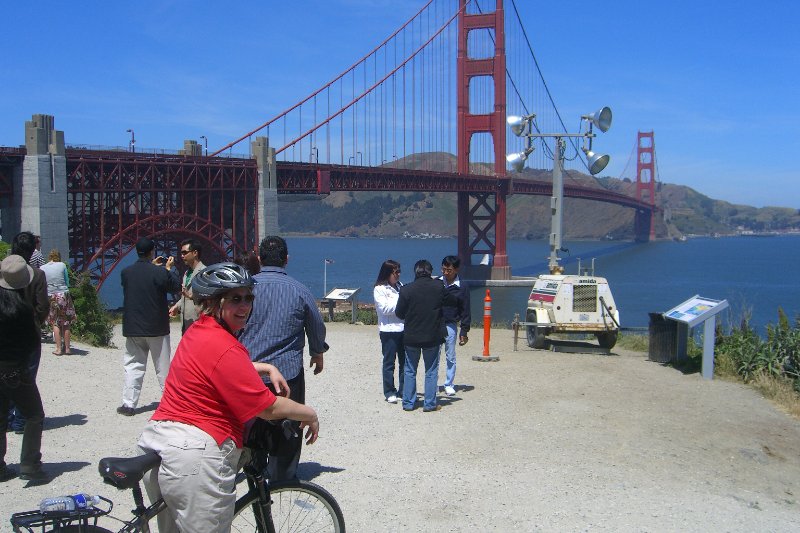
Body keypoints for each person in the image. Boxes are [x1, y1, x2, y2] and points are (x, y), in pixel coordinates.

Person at [137, 262, 319, 533]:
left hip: (159, 443)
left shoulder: (198, 332)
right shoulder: (224, 346)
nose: (244, 306)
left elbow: (219, 368)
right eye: (235, 299)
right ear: (212, 302)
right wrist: (308, 413)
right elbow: (268, 407)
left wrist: (266, 366)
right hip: (194, 457)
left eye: (248, 298)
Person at [239, 235, 328, 481]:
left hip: (250, 370)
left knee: (253, 421)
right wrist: (317, 352)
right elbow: (316, 325)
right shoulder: (300, 290)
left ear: (259, 258)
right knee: (289, 422)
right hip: (287, 372)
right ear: (287, 260)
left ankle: (254, 468)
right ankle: (282, 474)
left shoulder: (244, 290)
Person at [118, 237, 181, 416]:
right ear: (152, 252)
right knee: (163, 368)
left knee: (133, 365)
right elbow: (176, 286)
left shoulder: (126, 272)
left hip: (133, 327)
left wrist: (153, 267)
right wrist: (167, 269)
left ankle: (128, 404)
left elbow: (134, 286)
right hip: (157, 327)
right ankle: (170, 404)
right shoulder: (159, 273)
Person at [0, 255, 48, 482]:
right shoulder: (23, 311)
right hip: (16, 371)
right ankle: (29, 464)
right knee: (34, 414)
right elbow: (31, 343)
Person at [395, 259, 453, 412]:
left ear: (416, 272)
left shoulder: (406, 290)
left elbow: (399, 313)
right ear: (430, 272)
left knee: (409, 370)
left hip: (411, 336)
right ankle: (429, 404)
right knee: (431, 371)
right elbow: (451, 302)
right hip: (432, 336)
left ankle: (408, 403)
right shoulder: (438, 287)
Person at [7, 232, 49, 434]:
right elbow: (43, 306)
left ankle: (6, 418)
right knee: (27, 376)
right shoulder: (38, 275)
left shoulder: (3, 271)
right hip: (29, 334)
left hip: (3, 333)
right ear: (33, 250)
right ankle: (21, 421)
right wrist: (35, 323)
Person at [439, 255, 471, 396]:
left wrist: (464, 331)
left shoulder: (462, 287)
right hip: (435, 324)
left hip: (451, 324)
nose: (446, 273)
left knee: (450, 355)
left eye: (449, 270)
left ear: (456, 270)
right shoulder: (436, 283)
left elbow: (465, 309)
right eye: (444, 269)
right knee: (434, 354)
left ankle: (449, 383)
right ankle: (432, 382)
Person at [373, 259, 404, 404]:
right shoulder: (379, 289)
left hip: (403, 328)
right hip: (389, 330)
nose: (398, 275)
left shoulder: (400, 286)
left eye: (399, 271)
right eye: (395, 272)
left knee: (405, 363)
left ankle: (404, 390)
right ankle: (389, 391)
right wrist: (401, 304)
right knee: (389, 362)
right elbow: (384, 309)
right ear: (387, 273)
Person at [40, 249, 77, 355]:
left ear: (49, 257)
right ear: (58, 257)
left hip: (51, 295)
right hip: (63, 295)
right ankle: (68, 349)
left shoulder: (43, 268)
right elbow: (67, 281)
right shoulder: (62, 265)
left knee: (55, 323)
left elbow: (42, 283)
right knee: (66, 323)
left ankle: (58, 349)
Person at [168, 239, 206, 334]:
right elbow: (185, 296)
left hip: (199, 324)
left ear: (195, 253)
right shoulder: (187, 273)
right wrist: (177, 306)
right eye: (181, 253)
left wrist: (191, 296)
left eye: (184, 253)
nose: (181, 256)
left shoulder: (205, 273)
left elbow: (209, 298)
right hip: (186, 325)